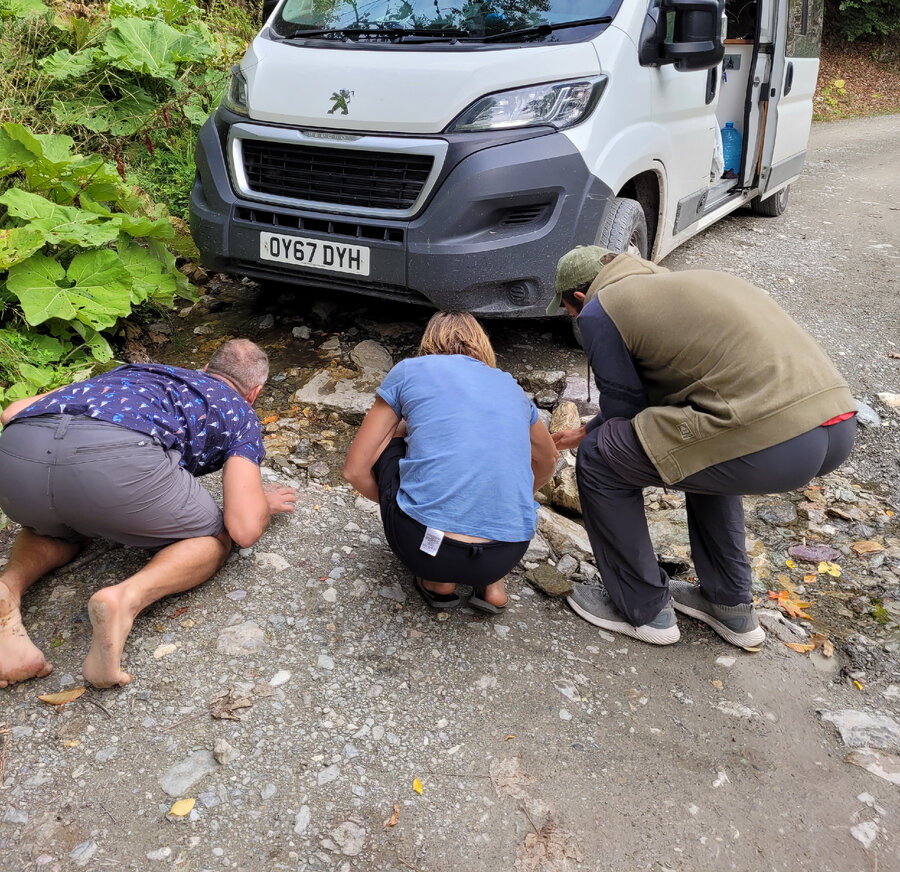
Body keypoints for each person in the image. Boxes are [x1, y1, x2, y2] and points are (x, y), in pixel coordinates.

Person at [547, 246, 857, 648]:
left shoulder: (600, 308)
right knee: (695, 448)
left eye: (569, 311)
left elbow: (625, 410)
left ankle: (641, 610)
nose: (575, 319)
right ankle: (729, 605)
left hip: (774, 443)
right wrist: (590, 427)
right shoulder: (680, 286)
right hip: (836, 424)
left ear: (577, 298)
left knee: (600, 457)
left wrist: (590, 435)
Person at [0, 339, 296, 689]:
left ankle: (8, 586)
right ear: (255, 392)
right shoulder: (239, 411)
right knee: (216, 535)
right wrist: (261, 504)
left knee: (53, 524)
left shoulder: (134, 371)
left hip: (17, 459)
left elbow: (12, 411)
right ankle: (124, 600)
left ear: (203, 368)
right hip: (113, 463)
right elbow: (244, 527)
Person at [344, 312, 558, 612]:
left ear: (429, 343)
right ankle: (493, 585)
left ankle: (438, 582)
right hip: (506, 553)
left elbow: (354, 470)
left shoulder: (410, 371)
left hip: (427, 548)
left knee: (392, 440)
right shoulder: (511, 387)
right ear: (483, 346)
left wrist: (397, 501)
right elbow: (549, 458)